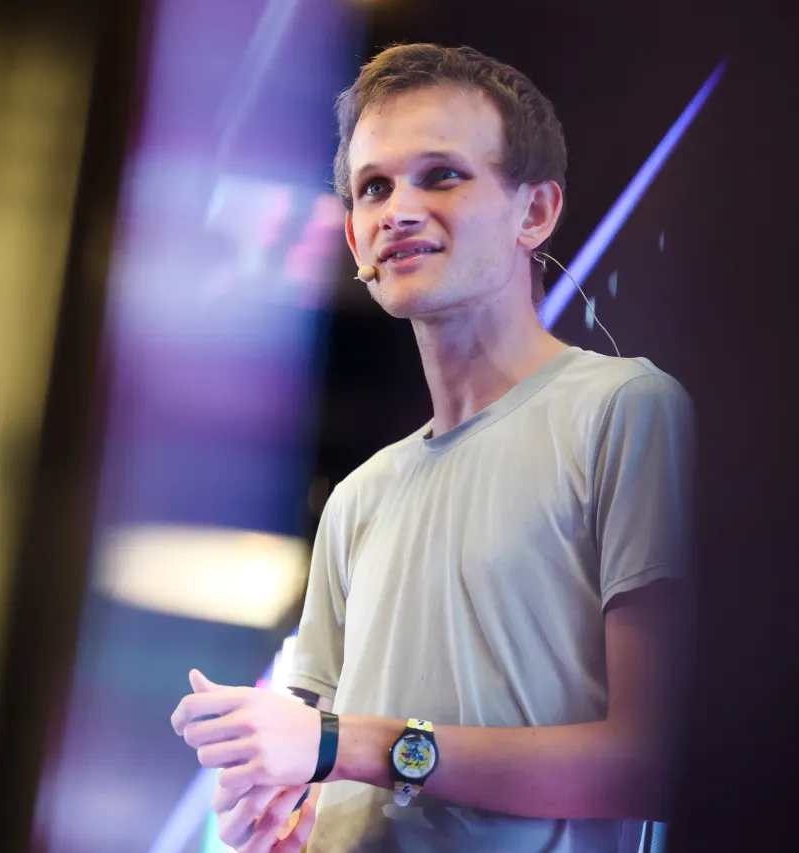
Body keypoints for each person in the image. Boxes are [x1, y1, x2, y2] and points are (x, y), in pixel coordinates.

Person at [170, 43, 695, 853]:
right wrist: (280, 814)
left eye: (441, 175)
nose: (399, 209)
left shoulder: (626, 409)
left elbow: (649, 759)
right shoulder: (359, 498)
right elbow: (321, 769)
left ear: (536, 211)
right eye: (375, 186)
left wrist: (347, 745)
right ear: (354, 237)